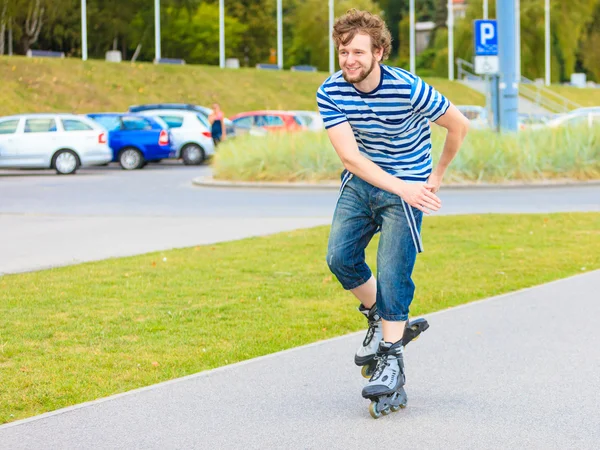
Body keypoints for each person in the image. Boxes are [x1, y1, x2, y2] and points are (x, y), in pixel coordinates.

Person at [316, 9, 469, 418]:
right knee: (339, 258)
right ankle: (377, 316)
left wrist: (436, 175)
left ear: (379, 52)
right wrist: (398, 185)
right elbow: (350, 157)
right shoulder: (330, 90)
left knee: (392, 271)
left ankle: (391, 356)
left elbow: (459, 125)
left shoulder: (409, 88)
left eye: (358, 52)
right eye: (343, 51)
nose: (349, 59)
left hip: (409, 186)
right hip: (366, 184)